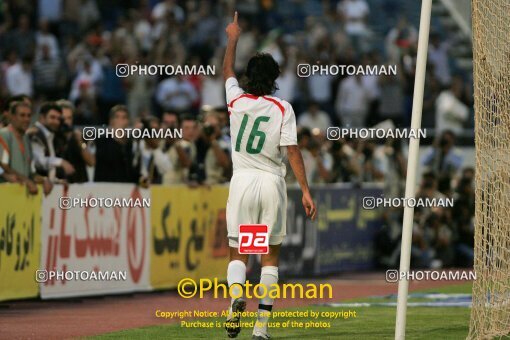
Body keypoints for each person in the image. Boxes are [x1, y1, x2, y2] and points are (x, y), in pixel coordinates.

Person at [222, 12, 316, 340]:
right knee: (270, 256)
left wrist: (233, 38)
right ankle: (260, 329)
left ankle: (236, 297)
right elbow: (292, 151)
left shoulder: (236, 101)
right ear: (276, 78)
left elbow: (226, 72)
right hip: (271, 183)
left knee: (239, 251)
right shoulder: (282, 108)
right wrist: (305, 190)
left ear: (249, 77)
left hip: (243, 180)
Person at [29, 102, 75, 182]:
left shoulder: (49, 134)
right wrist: (61, 162)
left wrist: (56, 181)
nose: (56, 122)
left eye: (58, 119)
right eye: (52, 117)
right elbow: (39, 161)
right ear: (42, 118)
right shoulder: (36, 134)